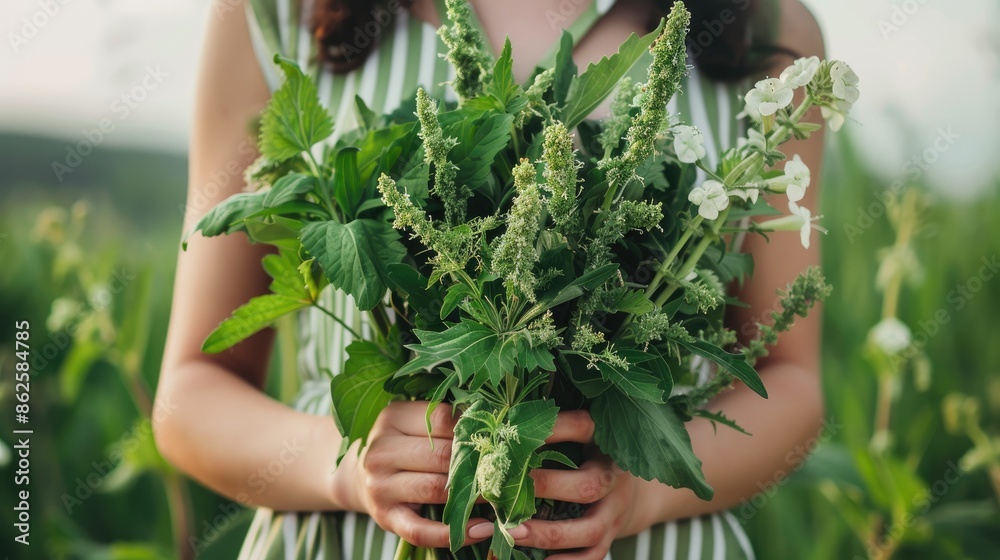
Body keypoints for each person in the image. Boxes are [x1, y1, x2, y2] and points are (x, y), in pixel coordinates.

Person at [153, 0, 827, 558]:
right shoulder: (272, 15)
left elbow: (791, 384)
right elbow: (190, 398)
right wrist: (346, 467)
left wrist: (641, 493)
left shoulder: (767, 33)